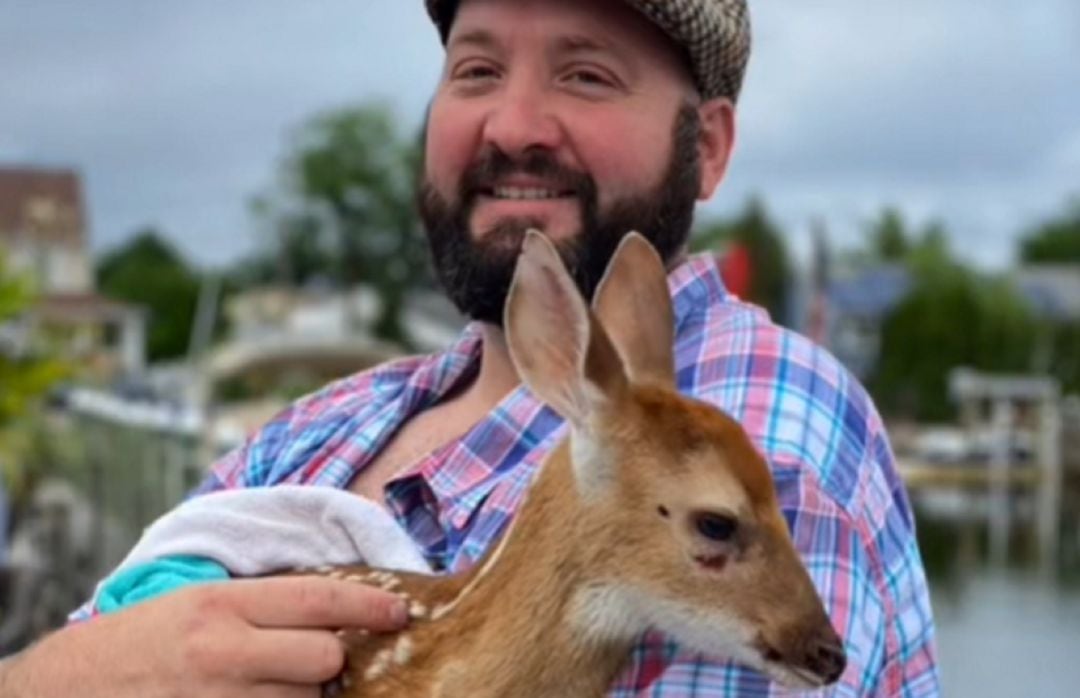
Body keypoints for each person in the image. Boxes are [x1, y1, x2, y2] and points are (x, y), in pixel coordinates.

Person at [0, 0, 940, 695]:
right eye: (477, 69)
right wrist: (76, 670)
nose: (514, 126)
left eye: (586, 73)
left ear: (707, 146)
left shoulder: (750, 425)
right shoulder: (325, 425)